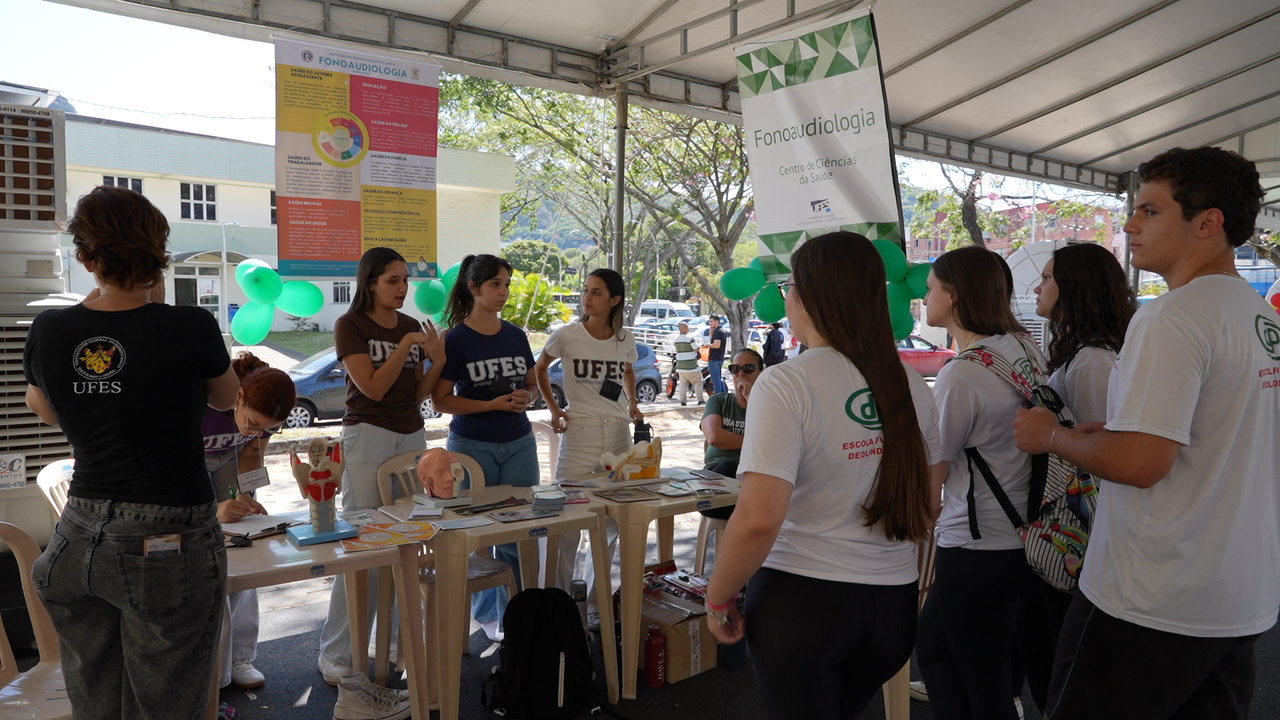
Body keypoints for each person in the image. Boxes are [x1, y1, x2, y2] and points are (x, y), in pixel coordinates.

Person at [1013, 146, 1279, 720]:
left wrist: (1053, 437)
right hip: (1239, 596)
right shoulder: (1262, 319)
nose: (1130, 224)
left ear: (1208, 223)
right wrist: (1117, 431)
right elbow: (1229, 432)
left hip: (1149, 598)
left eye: (1151, 211)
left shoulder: (1171, 316)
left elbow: (1141, 463)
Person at [704, 231, 942, 720]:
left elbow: (757, 521)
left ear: (809, 296)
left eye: (790, 286)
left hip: (805, 604)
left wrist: (717, 595)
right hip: (891, 611)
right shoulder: (911, 383)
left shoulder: (786, 381)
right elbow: (931, 502)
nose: (786, 297)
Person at [23, 185, 240, 720]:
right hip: (166, 538)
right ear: (159, 253)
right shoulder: (189, 326)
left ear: (84, 256)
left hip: (78, 533)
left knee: (95, 701)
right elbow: (228, 397)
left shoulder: (51, 327)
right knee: (163, 705)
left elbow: (45, 410)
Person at [914, 245, 1050, 720]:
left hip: (975, 547)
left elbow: (934, 468)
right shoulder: (1022, 348)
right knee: (941, 650)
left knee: (980, 675)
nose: (924, 297)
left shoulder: (962, 374)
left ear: (953, 295)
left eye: (930, 288)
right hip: (1023, 534)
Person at [317, 247, 443, 720]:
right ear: (370, 282)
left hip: (410, 431)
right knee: (364, 544)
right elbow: (370, 387)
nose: (402, 288)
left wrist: (437, 359)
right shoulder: (351, 325)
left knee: (406, 540)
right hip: (367, 434)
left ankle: (392, 648)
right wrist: (409, 347)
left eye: (405, 280)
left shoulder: (408, 325)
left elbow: (416, 394)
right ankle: (339, 652)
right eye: (392, 280)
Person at [433, 253, 539, 642]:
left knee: (520, 532)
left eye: (508, 285)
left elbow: (531, 383)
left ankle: (521, 613)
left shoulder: (516, 334)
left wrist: (526, 396)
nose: (504, 292)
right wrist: (491, 404)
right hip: (471, 445)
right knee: (476, 537)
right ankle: (486, 617)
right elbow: (441, 400)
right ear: (474, 288)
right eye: (496, 284)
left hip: (519, 442)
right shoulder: (455, 339)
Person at [535, 268, 643, 597]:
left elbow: (627, 371)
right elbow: (540, 368)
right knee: (566, 520)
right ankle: (558, 602)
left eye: (596, 292)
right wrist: (555, 409)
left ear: (614, 300)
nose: (587, 297)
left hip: (619, 436)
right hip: (578, 434)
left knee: (609, 523)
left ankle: (597, 603)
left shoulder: (625, 339)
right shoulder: (567, 335)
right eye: (586, 290)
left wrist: (633, 402)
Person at [204, 352, 296, 692]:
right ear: (237, 396)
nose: (257, 431)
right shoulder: (203, 402)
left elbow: (252, 452)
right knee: (209, 556)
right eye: (253, 423)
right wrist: (213, 510)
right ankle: (211, 662)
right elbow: (174, 472)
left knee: (245, 551)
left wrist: (244, 496)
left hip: (228, 461)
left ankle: (240, 655)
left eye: (268, 429)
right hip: (190, 464)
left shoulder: (264, 419)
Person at [1034, 243, 1137, 426]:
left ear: (1075, 286)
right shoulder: (1088, 350)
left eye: (1047, 278)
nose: (1037, 289)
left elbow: (1095, 440)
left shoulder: (1092, 358)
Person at [672, 321, 704, 406]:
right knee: (698, 382)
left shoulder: (676, 340)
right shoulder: (690, 338)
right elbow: (696, 349)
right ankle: (700, 400)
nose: (688, 329)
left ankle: (683, 401)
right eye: (687, 327)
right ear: (684, 328)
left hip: (680, 366)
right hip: (691, 366)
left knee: (683, 384)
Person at [706, 314, 728, 393]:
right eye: (709, 322)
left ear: (717, 321)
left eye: (712, 321)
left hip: (714, 358)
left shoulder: (718, 332)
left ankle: (718, 396)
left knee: (716, 380)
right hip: (720, 358)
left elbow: (716, 345)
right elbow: (712, 339)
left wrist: (707, 345)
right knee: (719, 378)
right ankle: (723, 394)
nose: (710, 323)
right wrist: (711, 330)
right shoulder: (722, 330)